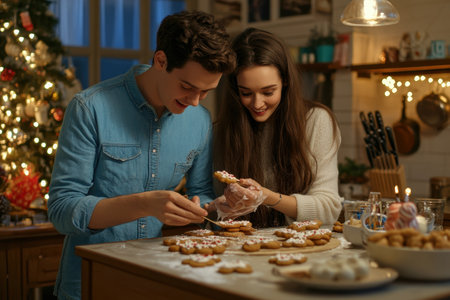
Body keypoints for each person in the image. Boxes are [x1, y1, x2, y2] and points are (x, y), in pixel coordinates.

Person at [48, 10, 235, 300]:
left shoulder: (199, 120)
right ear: (160, 61)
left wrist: (210, 207)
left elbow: (202, 193)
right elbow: (62, 211)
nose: (194, 101)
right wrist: (146, 204)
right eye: (186, 86)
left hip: (159, 279)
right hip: (91, 281)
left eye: (206, 91)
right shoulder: (89, 108)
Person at [209, 28, 342, 228]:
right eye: (246, 93)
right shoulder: (224, 130)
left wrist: (266, 197)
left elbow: (329, 209)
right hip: (239, 252)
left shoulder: (316, 121)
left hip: (304, 252)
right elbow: (215, 210)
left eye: (268, 92)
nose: (257, 103)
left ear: (285, 82)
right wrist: (220, 208)